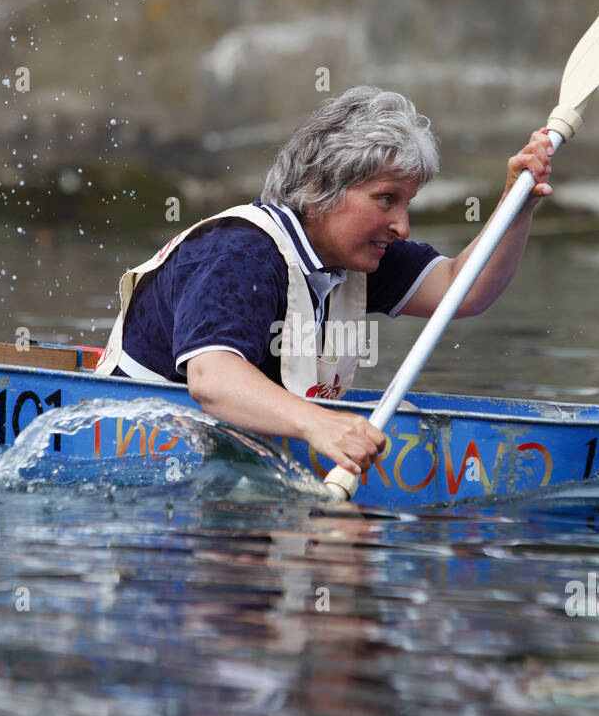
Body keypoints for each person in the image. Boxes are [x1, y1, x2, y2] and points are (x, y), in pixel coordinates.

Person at [94, 86, 553, 476]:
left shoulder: (355, 254)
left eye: (407, 203)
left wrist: (518, 203)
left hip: (230, 461)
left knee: (402, 419)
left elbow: (464, 288)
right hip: (138, 466)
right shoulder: (239, 252)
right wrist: (322, 425)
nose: (402, 226)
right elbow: (212, 379)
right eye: (386, 199)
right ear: (319, 188)